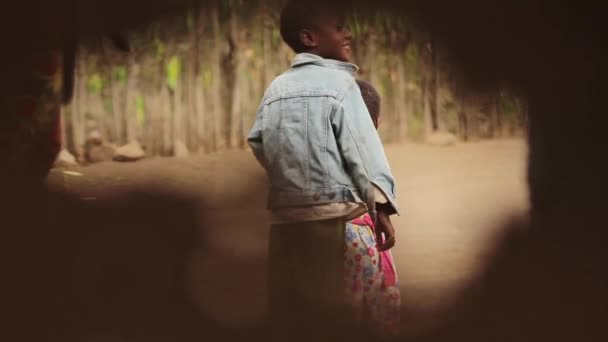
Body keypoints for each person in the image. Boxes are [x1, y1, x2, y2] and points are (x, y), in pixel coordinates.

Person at [246, 0, 400, 338]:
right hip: (336, 222)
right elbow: (363, 151)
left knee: (295, 314)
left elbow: (258, 141)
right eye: (339, 27)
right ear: (309, 37)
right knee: (339, 316)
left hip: (286, 224)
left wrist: (291, 181)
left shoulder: (275, 89)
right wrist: (382, 208)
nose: (348, 33)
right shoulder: (341, 86)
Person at [344, 79, 400, 337]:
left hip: (324, 233)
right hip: (361, 235)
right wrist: (384, 213)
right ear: (376, 123)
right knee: (373, 308)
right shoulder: (368, 150)